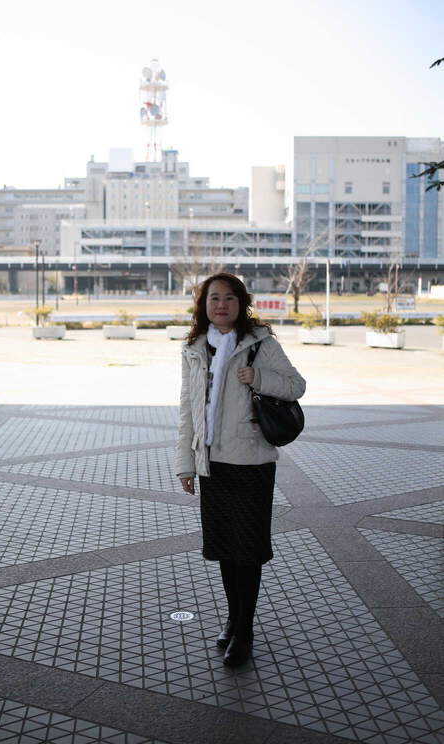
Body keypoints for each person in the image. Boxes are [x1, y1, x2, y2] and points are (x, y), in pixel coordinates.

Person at [177, 273, 306, 668]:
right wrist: (185, 463)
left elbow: (297, 385)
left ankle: (245, 631)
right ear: (204, 305)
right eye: (214, 298)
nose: (221, 305)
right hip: (212, 465)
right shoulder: (194, 348)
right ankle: (233, 620)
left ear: (241, 303)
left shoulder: (260, 343)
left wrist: (259, 378)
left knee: (247, 551)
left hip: (251, 465)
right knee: (224, 550)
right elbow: (187, 410)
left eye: (229, 298)